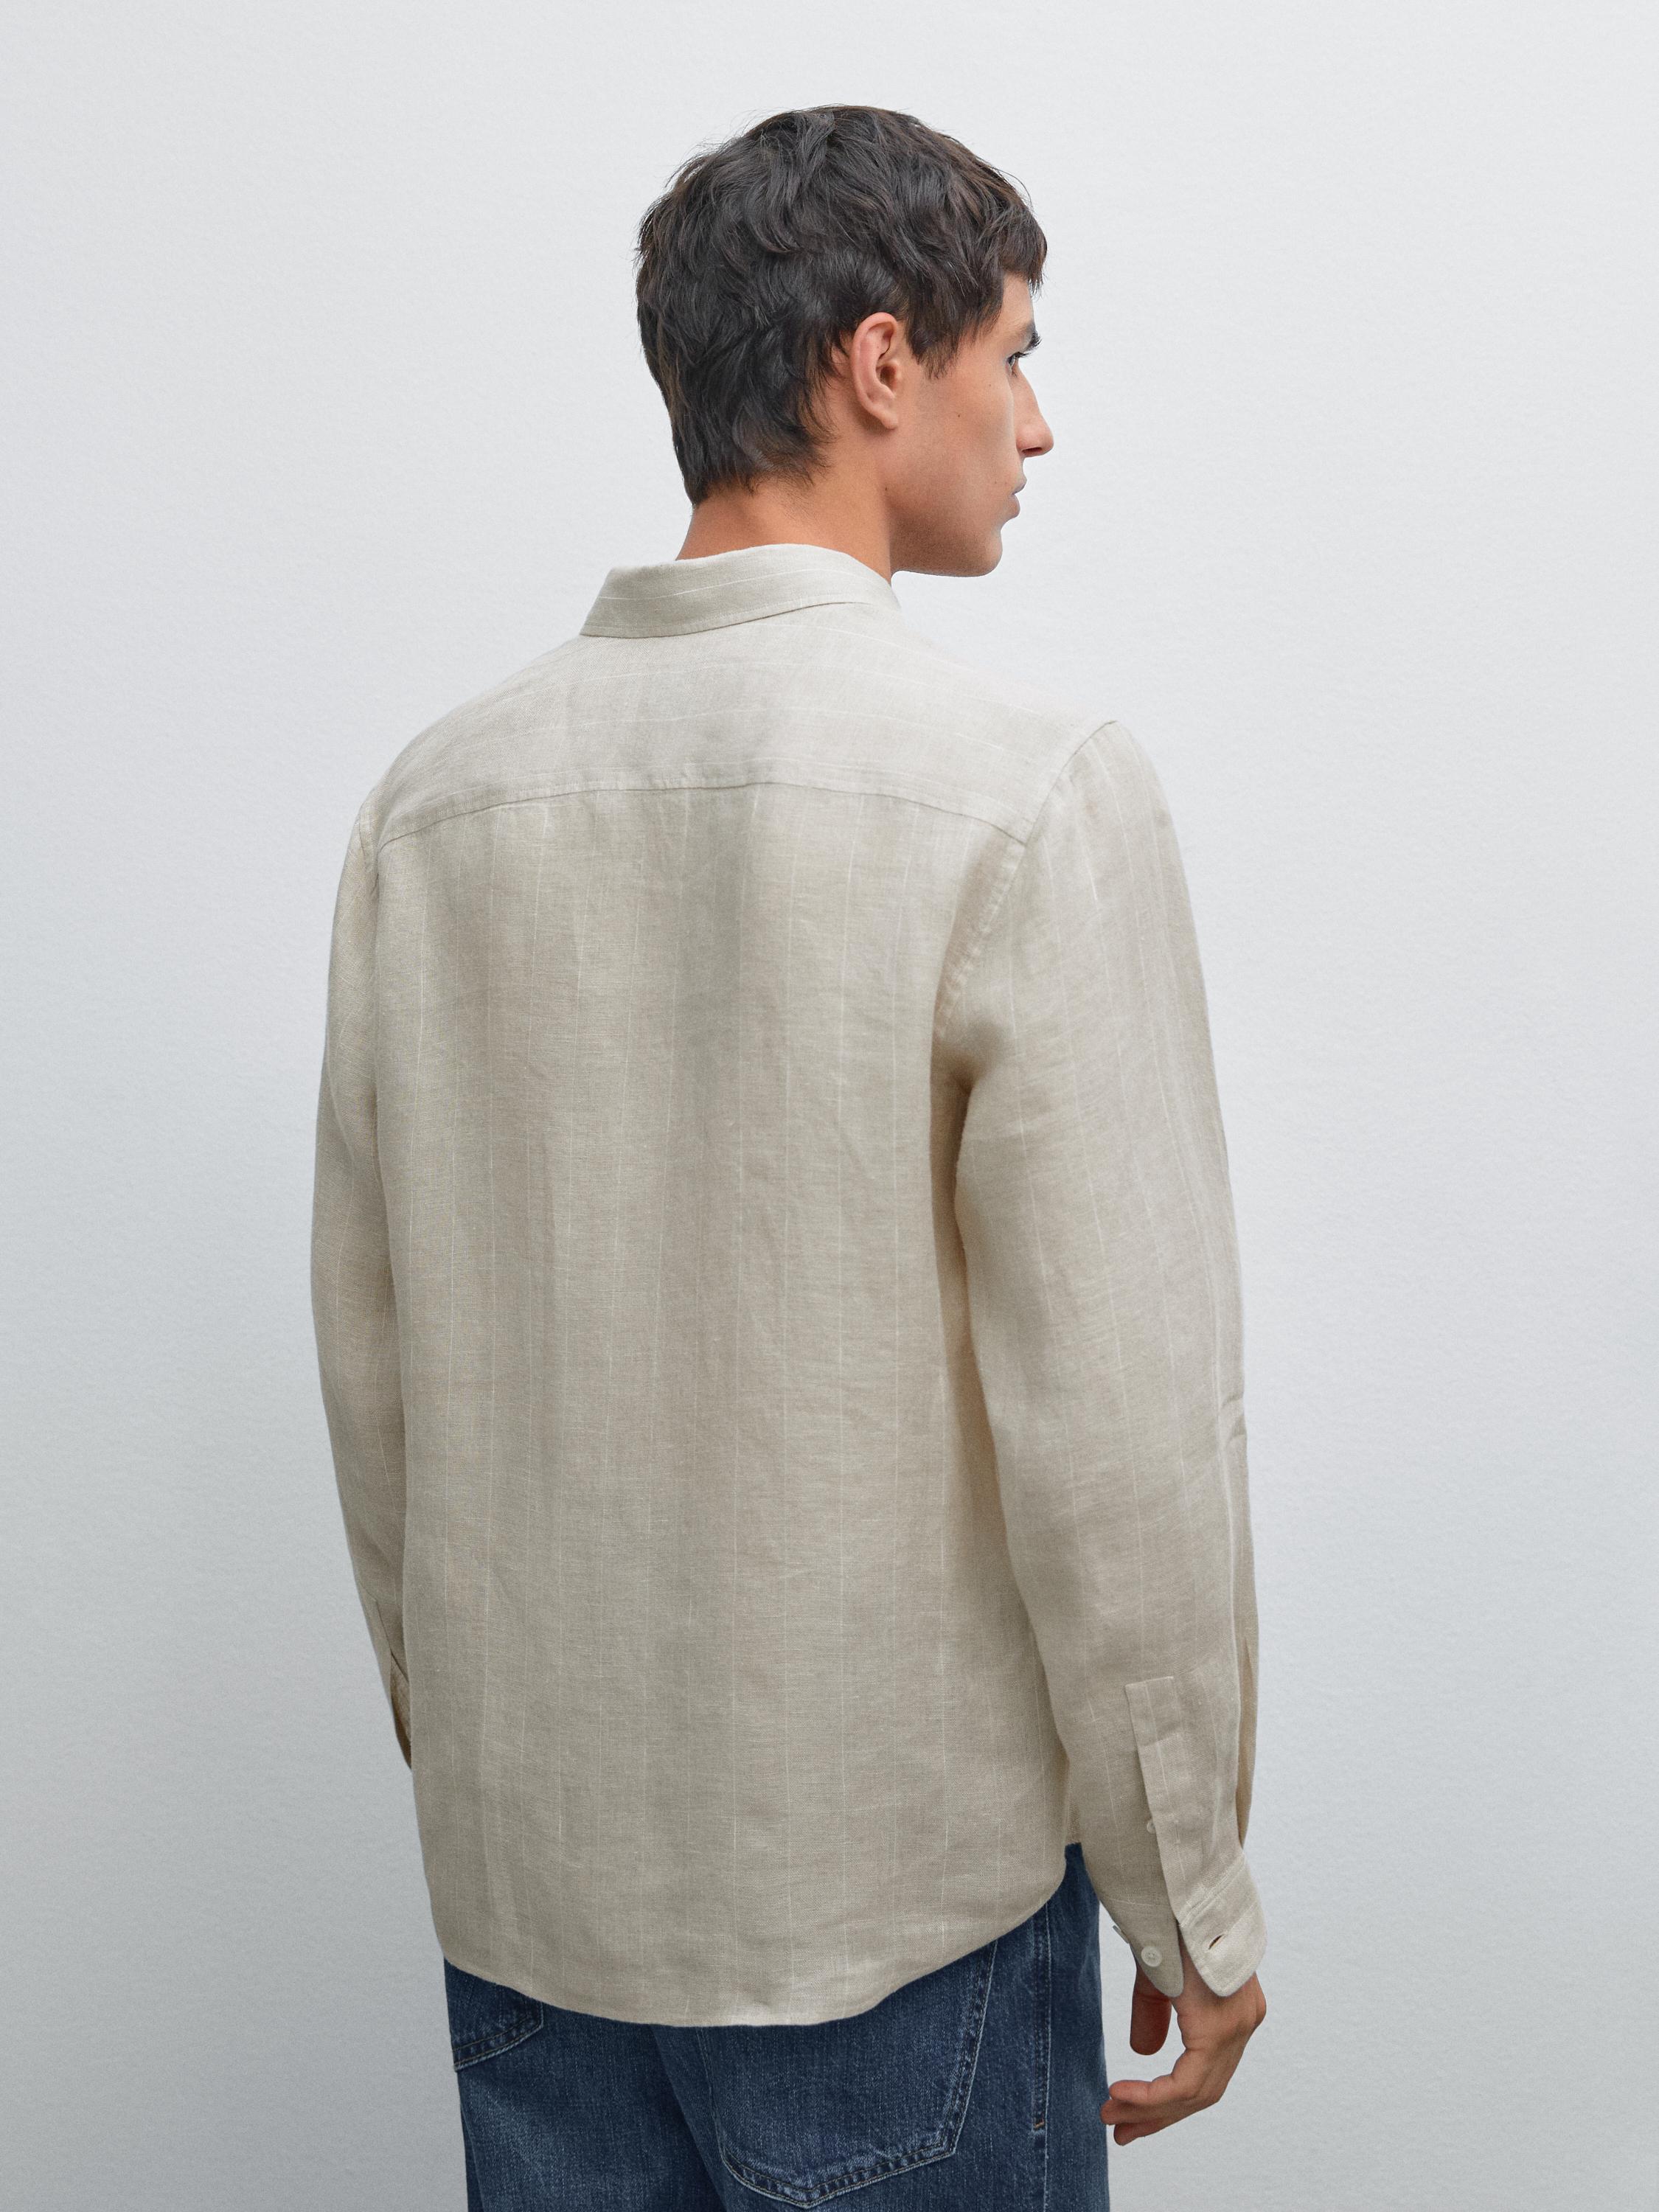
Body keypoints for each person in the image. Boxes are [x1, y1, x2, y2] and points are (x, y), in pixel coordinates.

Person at [311, 102, 1267, 2208]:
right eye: (1015, 353)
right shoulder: (1024, 796)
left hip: (536, 1909)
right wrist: (1187, 1884)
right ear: (880, 362)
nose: (1037, 424)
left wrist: (487, 1773)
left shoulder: (435, 808)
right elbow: (1120, 1430)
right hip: (893, 1918)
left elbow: (379, 1391)